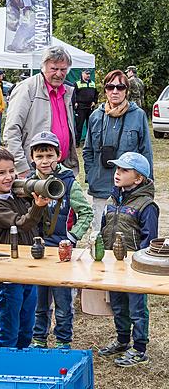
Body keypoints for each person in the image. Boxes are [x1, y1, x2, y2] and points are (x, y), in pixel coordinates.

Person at [0, 145, 48, 348]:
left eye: (11, 171)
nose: (8, 177)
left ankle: (22, 365)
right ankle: (1, 367)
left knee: (27, 326)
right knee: (9, 327)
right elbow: (21, 223)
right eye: (1, 173)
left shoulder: (15, 194)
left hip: (27, 267)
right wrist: (37, 207)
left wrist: (35, 197)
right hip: (9, 270)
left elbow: (40, 224)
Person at [30, 132, 93, 348]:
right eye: (40, 156)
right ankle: (38, 338)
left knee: (63, 300)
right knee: (39, 299)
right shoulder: (29, 183)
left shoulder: (68, 182)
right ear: (32, 158)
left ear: (58, 155)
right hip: (37, 249)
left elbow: (86, 212)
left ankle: (63, 341)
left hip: (62, 250)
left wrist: (72, 237)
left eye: (49, 155)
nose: (45, 161)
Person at [98, 152, 159, 366]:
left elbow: (150, 239)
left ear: (138, 178)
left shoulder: (146, 206)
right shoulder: (112, 198)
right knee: (118, 304)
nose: (117, 174)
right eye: (117, 169)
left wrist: (137, 265)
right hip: (114, 264)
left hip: (135, 268)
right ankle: (122, 340)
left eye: (124, 170)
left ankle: (140, 348)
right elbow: (104, 227)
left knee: (137, 308)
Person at [83, 69, 153, 231]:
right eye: (110, 86)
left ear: (126, 90)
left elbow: (145, 151)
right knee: (99, 235)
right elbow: (88, 150)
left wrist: (147, 183)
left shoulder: (138, 115)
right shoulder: (95, 116)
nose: (115, 91)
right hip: (100, 185)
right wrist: (92, 174)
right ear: (105, 90)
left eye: (120, 87)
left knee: (126, 235)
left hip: (130, 190)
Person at [3, 45, 78, 178]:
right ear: (43, 67)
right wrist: (21, 167)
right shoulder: (27, 88)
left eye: (63, 69)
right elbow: (11, 131)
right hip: (33, 170)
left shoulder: (66, 91)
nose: (59, 74)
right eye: (54, 69)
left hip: (61, 168)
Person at [72, 68, 98, 146]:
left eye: (89, 74)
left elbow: (96, 94)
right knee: (79, 126)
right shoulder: (77, 83)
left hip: (90, 107)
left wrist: (94, 101)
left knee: (91, 125)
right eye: (86, 74)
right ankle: (76, 143)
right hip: (80, 107)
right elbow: (73, 94)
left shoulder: (93, 83)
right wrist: (75, 102)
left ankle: (90, 142)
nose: (88, 75)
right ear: (82, 74)